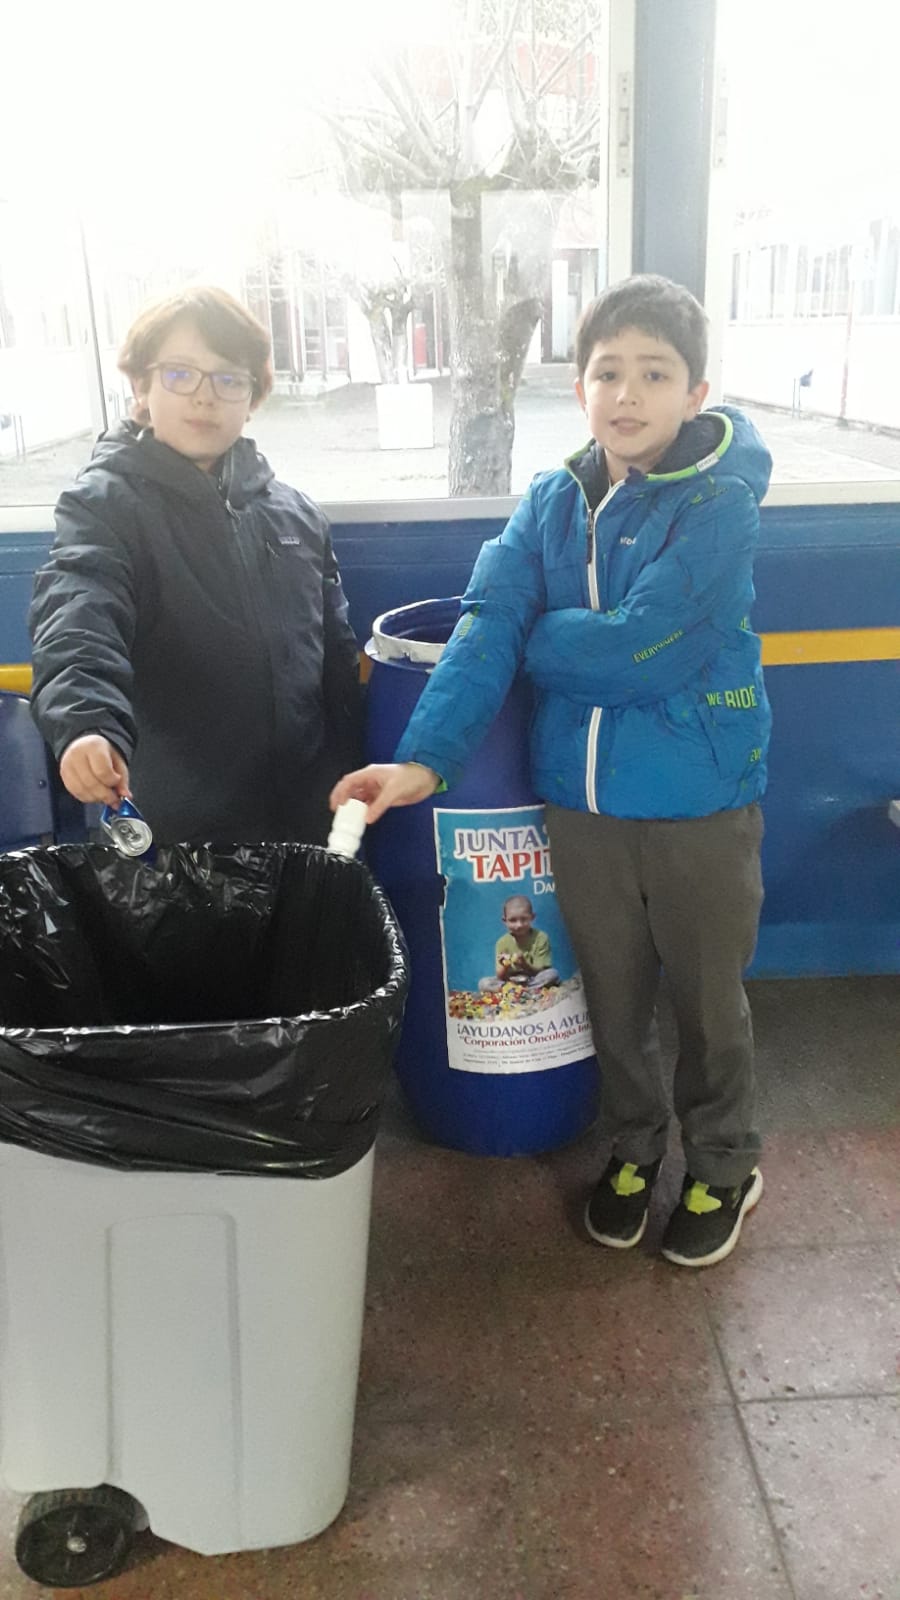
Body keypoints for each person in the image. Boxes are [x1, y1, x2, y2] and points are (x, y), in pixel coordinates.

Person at [332, 274, 772, 1269]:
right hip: (581, 809)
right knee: (609, 996)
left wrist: (536, 633)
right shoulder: (549, 503)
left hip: (701, 803)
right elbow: (486, 623)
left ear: (696, 392)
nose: (628, 393)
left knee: (709, 1003)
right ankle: (634, 1148)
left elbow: (642, 649)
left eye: (654, 373)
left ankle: (724, 1163)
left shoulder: (722, 506)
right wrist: (419, 764)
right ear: (579, 389)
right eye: (608, 372)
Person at [29, 285, 361, 847]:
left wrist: (356, 770)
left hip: (306, 829)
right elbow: (78, 617)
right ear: (142, 386)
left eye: (229, 379)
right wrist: (87, 725)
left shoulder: (299, 517)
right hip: (175, 843)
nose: (205, 397)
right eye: (180, 374)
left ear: (253, 398)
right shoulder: (103, 508)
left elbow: (337, 662)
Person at [478, 895, 560, 992]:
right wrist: (505, 966)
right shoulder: (502, 942)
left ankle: (523, 991)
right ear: (505, 921)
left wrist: (524, 964)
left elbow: (541, 971)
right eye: (513, 920)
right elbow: (500, 976)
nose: (519, 925)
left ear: (532, 917)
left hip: (533, 979)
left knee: (552, 974)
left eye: (524, 919)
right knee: (484, 983)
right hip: (510, 981)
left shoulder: (541, 937)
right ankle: (516, 991)